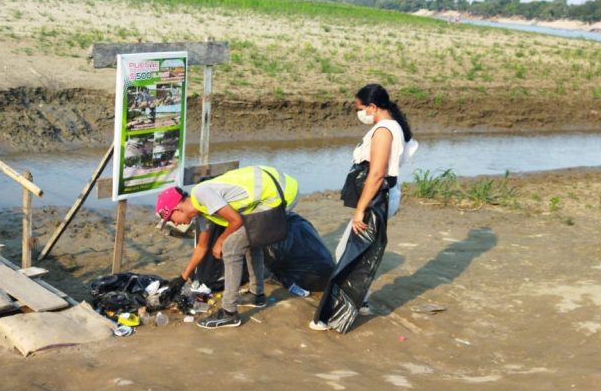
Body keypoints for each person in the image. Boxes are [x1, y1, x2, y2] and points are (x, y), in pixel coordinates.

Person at [311, 84, 415, 332]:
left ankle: (340, 310)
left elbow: (377, 174)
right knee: (359, 252)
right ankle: (362, 301)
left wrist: (360, 209)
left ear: (372, 107)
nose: (360, 114)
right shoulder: (394, 126)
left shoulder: (383, 131)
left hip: (377, 200)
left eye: (360, 109)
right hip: (383, 197)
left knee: (348, 253)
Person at [155, 166, 298, 329]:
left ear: (177, 208)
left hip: (279, 193)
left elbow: (236, 221)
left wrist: (221, 241)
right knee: (250, 239)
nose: (175, 223)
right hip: (274, 189)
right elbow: (202, 247)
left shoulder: (201, 194)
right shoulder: (202, 211)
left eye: (171, 218)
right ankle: (256, 295)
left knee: (231, 247)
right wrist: (181, 279)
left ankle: (229, 313)